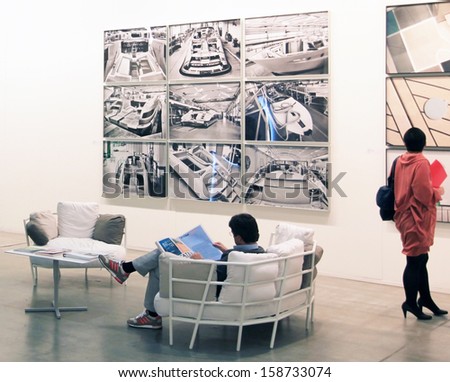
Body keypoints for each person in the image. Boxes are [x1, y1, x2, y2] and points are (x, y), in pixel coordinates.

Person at [98, 213, 264, 329]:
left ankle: (127, 273)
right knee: (161, 258)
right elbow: (233, 268)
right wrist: (226, 252)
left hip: (206, 288)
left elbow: (216, 275)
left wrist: (201, 261)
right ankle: (128, 274)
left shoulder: (233, 256)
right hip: (223, 285)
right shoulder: (261, 254)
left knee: (161, 256)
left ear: (239, 238)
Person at [394, 127, 447, 320]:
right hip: (416, 218)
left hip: (405, 215)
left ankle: (425, 299)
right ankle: (410, 302)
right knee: (414, 260)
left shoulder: (400, 160)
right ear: (423, 144)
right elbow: (423, 194)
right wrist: (438, 191)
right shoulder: (421, 163)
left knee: (420, 259)